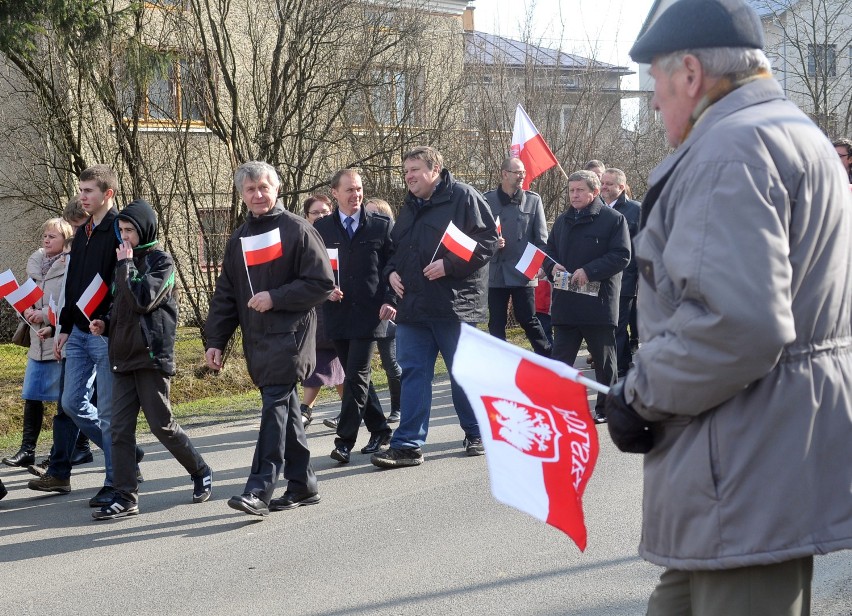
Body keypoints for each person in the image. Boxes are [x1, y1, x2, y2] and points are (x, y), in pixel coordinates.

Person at [604, 1, 852, 613]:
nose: (655, 105)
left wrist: (639, 394)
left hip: (741, 477)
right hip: (748, 472)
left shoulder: (731, 150)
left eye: (656, 87)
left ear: (690, 73)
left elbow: (738, 324)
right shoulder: (788, 132)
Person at [205, 161, 334, 517]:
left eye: (264, 187)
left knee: (274, 408)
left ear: (276, 189)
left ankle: (258, 489)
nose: (258, 195)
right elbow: (226, 295)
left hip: (290, 337)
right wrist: (215, 340)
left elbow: (321, 283)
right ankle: (302, 485)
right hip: (257, 340)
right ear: (242, 195)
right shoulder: (239, 238)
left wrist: (275, 297)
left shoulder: (297, 229)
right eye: (250, 190)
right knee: (287, 410)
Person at [371, 146, 497, 469]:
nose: (408, 176)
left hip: (454, 306)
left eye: (414, 169)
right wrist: (392, 275)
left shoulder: (464, 197)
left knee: (462, 374)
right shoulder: (409, 207)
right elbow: (397, 251)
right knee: (414, 373)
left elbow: (488, 242)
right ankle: (408, 445)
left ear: (435, 169)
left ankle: (477, 432)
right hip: (414, 307)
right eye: (406, 171)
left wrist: (449, 264)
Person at [90, 199, 212, 520]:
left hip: (150, 357)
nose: (124, 237)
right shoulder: (123, 264)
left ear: (143, 229)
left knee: (162, 425)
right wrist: (104, 321)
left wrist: (126, 265)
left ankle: (200, 470)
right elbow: (123, 306)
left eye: (129, 230)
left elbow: (143, 300)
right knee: (119, 429)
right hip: (123, 357)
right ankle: (125, 496)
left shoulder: (162, 263)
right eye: (121, 230)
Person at [28, 165, 139, 508]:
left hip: (103, 333)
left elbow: (122, 283)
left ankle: (115, 480)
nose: (82, 196)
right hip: (76, 330)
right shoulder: (84, 229)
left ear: (108, 194)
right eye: (80, 189)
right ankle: (125, 454)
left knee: (107, 412)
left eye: (89, 190)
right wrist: (62, 328)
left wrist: (105, 319)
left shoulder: (118, 229)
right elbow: (73, 283)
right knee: (71, 402)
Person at [314, 169, 396, 463]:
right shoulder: (322, 229)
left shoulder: (381, 225)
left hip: (370, 314)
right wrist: (325, 289)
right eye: (349, 190)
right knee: (354, 374)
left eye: (359, 189)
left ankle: (344, 441)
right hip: (337, 314)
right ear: (335, 193)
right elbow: (313, 269)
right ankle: (381, 429)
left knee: (357, 374)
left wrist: (391, 298)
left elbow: (393, 267)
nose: (356, 195)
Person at [543, 169, 630, 423]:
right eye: (571, 190)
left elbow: (621, 255)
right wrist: (551, 266)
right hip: (567, 305)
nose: (574, 195)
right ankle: (558, 408)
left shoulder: (613, 220)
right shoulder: (562, 220)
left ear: (594, 192)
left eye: (580, 190)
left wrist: (589, 271)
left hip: (598, 304)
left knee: (604, 363)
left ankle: (607, 408)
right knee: (560, 361)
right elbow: (549, 250)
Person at [2, 218, 72, 468]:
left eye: (52, 236)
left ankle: (58, 454)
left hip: (59, 341)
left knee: (64, 403)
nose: (46, 239)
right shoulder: (34, 266)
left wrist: (46, 316)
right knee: (31, 395)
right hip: (36, 342)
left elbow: (68, 304)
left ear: (65, 240)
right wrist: (26, 311)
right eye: (45, 235)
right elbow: (28, 299)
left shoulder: (69, 266)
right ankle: (27, 450)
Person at [483, 157, 551, 356]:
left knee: (528, 319)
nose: (522, 176)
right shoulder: (487, 199)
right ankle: (500, 363)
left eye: (523, 172)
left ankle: (547, 358)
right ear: (505, 174)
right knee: (496, 322)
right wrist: (493, 244)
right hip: (496, 271)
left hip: (524, 270)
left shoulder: (533, 199)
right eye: (517, 172)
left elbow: (541, 239)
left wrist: (539, 265)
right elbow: (478, 235)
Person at [298, 194, 345, 430]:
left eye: (325, 211)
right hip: (314, 309)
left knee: (341, 360)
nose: (321, 216)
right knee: (317, 359)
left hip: (341, 307)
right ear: (306, 216)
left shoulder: (340, 234)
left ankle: (348, 410)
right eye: (315, 212)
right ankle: (305, 411)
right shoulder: (302, 238)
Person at [600, 167, 641, 377]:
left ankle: (618, 369)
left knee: (618, 324)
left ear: (621, 187)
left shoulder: (636, 210)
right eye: (602, 183)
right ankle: (624, 363)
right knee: (611, 324)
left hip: (626, 279)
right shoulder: (596, 208)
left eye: (609, 184)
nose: (604, 187)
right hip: (602, 279)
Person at [364, 197, 402, 423]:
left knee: (391, 362)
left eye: (371, 214)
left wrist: (392, 299)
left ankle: (398, 407)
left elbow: (395, 272)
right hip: (366, 310)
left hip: (388, 308)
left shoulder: (394, 241)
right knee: (360, 367)